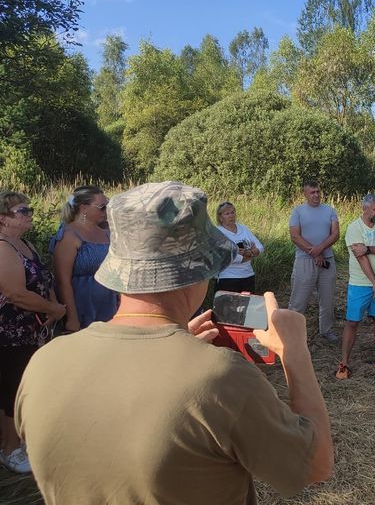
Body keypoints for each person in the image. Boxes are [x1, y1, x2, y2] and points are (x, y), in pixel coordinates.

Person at [15, 181, 333, 503]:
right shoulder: (221, 377)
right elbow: (316, 466)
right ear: (199, 271)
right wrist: (295, 353)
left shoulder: (44, 362)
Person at [0, 192, 65, 474]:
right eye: (22, 210)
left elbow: (44, 278)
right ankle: (9, 449)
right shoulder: (3, 248)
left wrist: (51, 308)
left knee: (24, 385)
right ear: (3, 218)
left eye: (29, 208)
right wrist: (54, 309)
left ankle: (18, 440)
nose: (29, 213)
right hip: (10, 332)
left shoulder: (25, 244)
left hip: (33, 329)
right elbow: (16, 294)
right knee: (11, 389)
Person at [336, 194, 375, 379]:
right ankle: (344, 363)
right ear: (364, 209)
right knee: (352, 322)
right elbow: (361, 259)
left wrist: (369, 248)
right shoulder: (354, 228)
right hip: (360, 284)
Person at [51, 186, 118, 330]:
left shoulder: (107, 233)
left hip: (109, 303)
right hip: (82, 305)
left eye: (108, 206)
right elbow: (63, 281)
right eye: (102, 207)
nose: (106, 210)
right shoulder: (69, 235)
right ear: (84, 208)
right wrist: (72, 318)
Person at [288, 180, 339, 342]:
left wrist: (321, 248)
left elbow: (335, 234)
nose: (316, 195)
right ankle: (291, 333)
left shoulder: (330, 211)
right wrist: (315, 253)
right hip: (305, 261)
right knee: (299, 299)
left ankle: (326, 330)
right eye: (312, 192)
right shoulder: (298, 212)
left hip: (327, 260)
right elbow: (295, 236)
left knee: (327, 298)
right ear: (305, 194)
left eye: (318, 191)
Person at [215, 201, 264, 294]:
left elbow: (260, 247)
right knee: (229, 308)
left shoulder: (243, 228)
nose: (231, 216)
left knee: (247, 307)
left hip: (248, 275)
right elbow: (224, 257)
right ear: (220, 217)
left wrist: (249, 253)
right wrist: (245, 257)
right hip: (228, 278)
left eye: (233, 212)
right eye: (227, 214)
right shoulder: (217, 232)